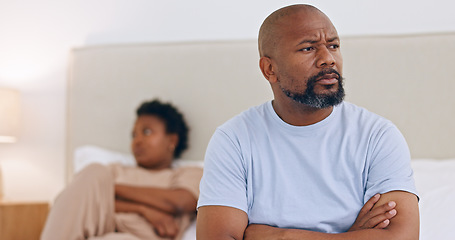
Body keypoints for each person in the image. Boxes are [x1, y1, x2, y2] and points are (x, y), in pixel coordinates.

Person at [196, 4, 419, 240]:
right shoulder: (234, 140)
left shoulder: (378, 136)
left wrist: (282, 236)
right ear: (270, 69)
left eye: (333, 45)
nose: (328, 59)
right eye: (308, 48)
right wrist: (351, 235)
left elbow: (402, 237)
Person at [41, 99, 203, 240]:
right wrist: (143, 209)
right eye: (134, 135)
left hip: (139, 237)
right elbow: (78, 202)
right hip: (96, 229)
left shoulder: (187, 174)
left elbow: (179, 203)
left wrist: (110, 190)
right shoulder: (113, 171)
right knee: (93, 171)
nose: (137, 141)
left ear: (172, 140)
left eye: (146, 132)